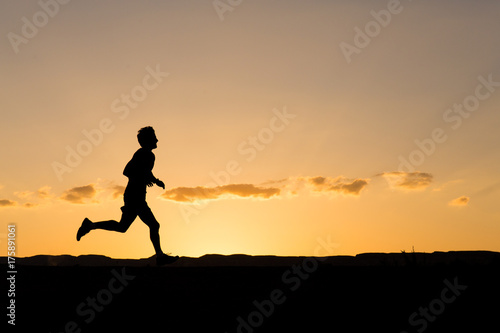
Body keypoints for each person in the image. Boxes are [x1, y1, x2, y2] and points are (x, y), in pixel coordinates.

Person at [76, 126, 178, 266]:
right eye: (154, 137)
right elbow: (127, 171)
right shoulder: (141, 153)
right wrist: (144, 177)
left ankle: (90, 225)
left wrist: (155, 180)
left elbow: (146, 172)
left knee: (122, 227)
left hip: (137, 196)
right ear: (148, 140)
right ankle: (160, 256)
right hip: (134, 196)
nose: (157, 140)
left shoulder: (149, 155)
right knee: (154, 225)